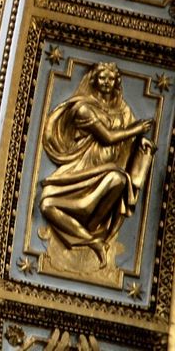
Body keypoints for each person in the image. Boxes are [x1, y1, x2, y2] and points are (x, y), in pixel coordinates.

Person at [39, 62, 156, 267]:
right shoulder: (84, 108)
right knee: (47, 205)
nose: (106, 82)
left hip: (108, 171)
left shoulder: (122, 108)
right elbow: (108, 137)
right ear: (94, 80)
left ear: (116, 82)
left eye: (111, 78)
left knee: (119, 180)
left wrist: (141, 142)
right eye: (102, 77)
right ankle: (93, 241)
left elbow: (129, 140)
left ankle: (93, 225)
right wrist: (136, 130)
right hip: (82, 170)